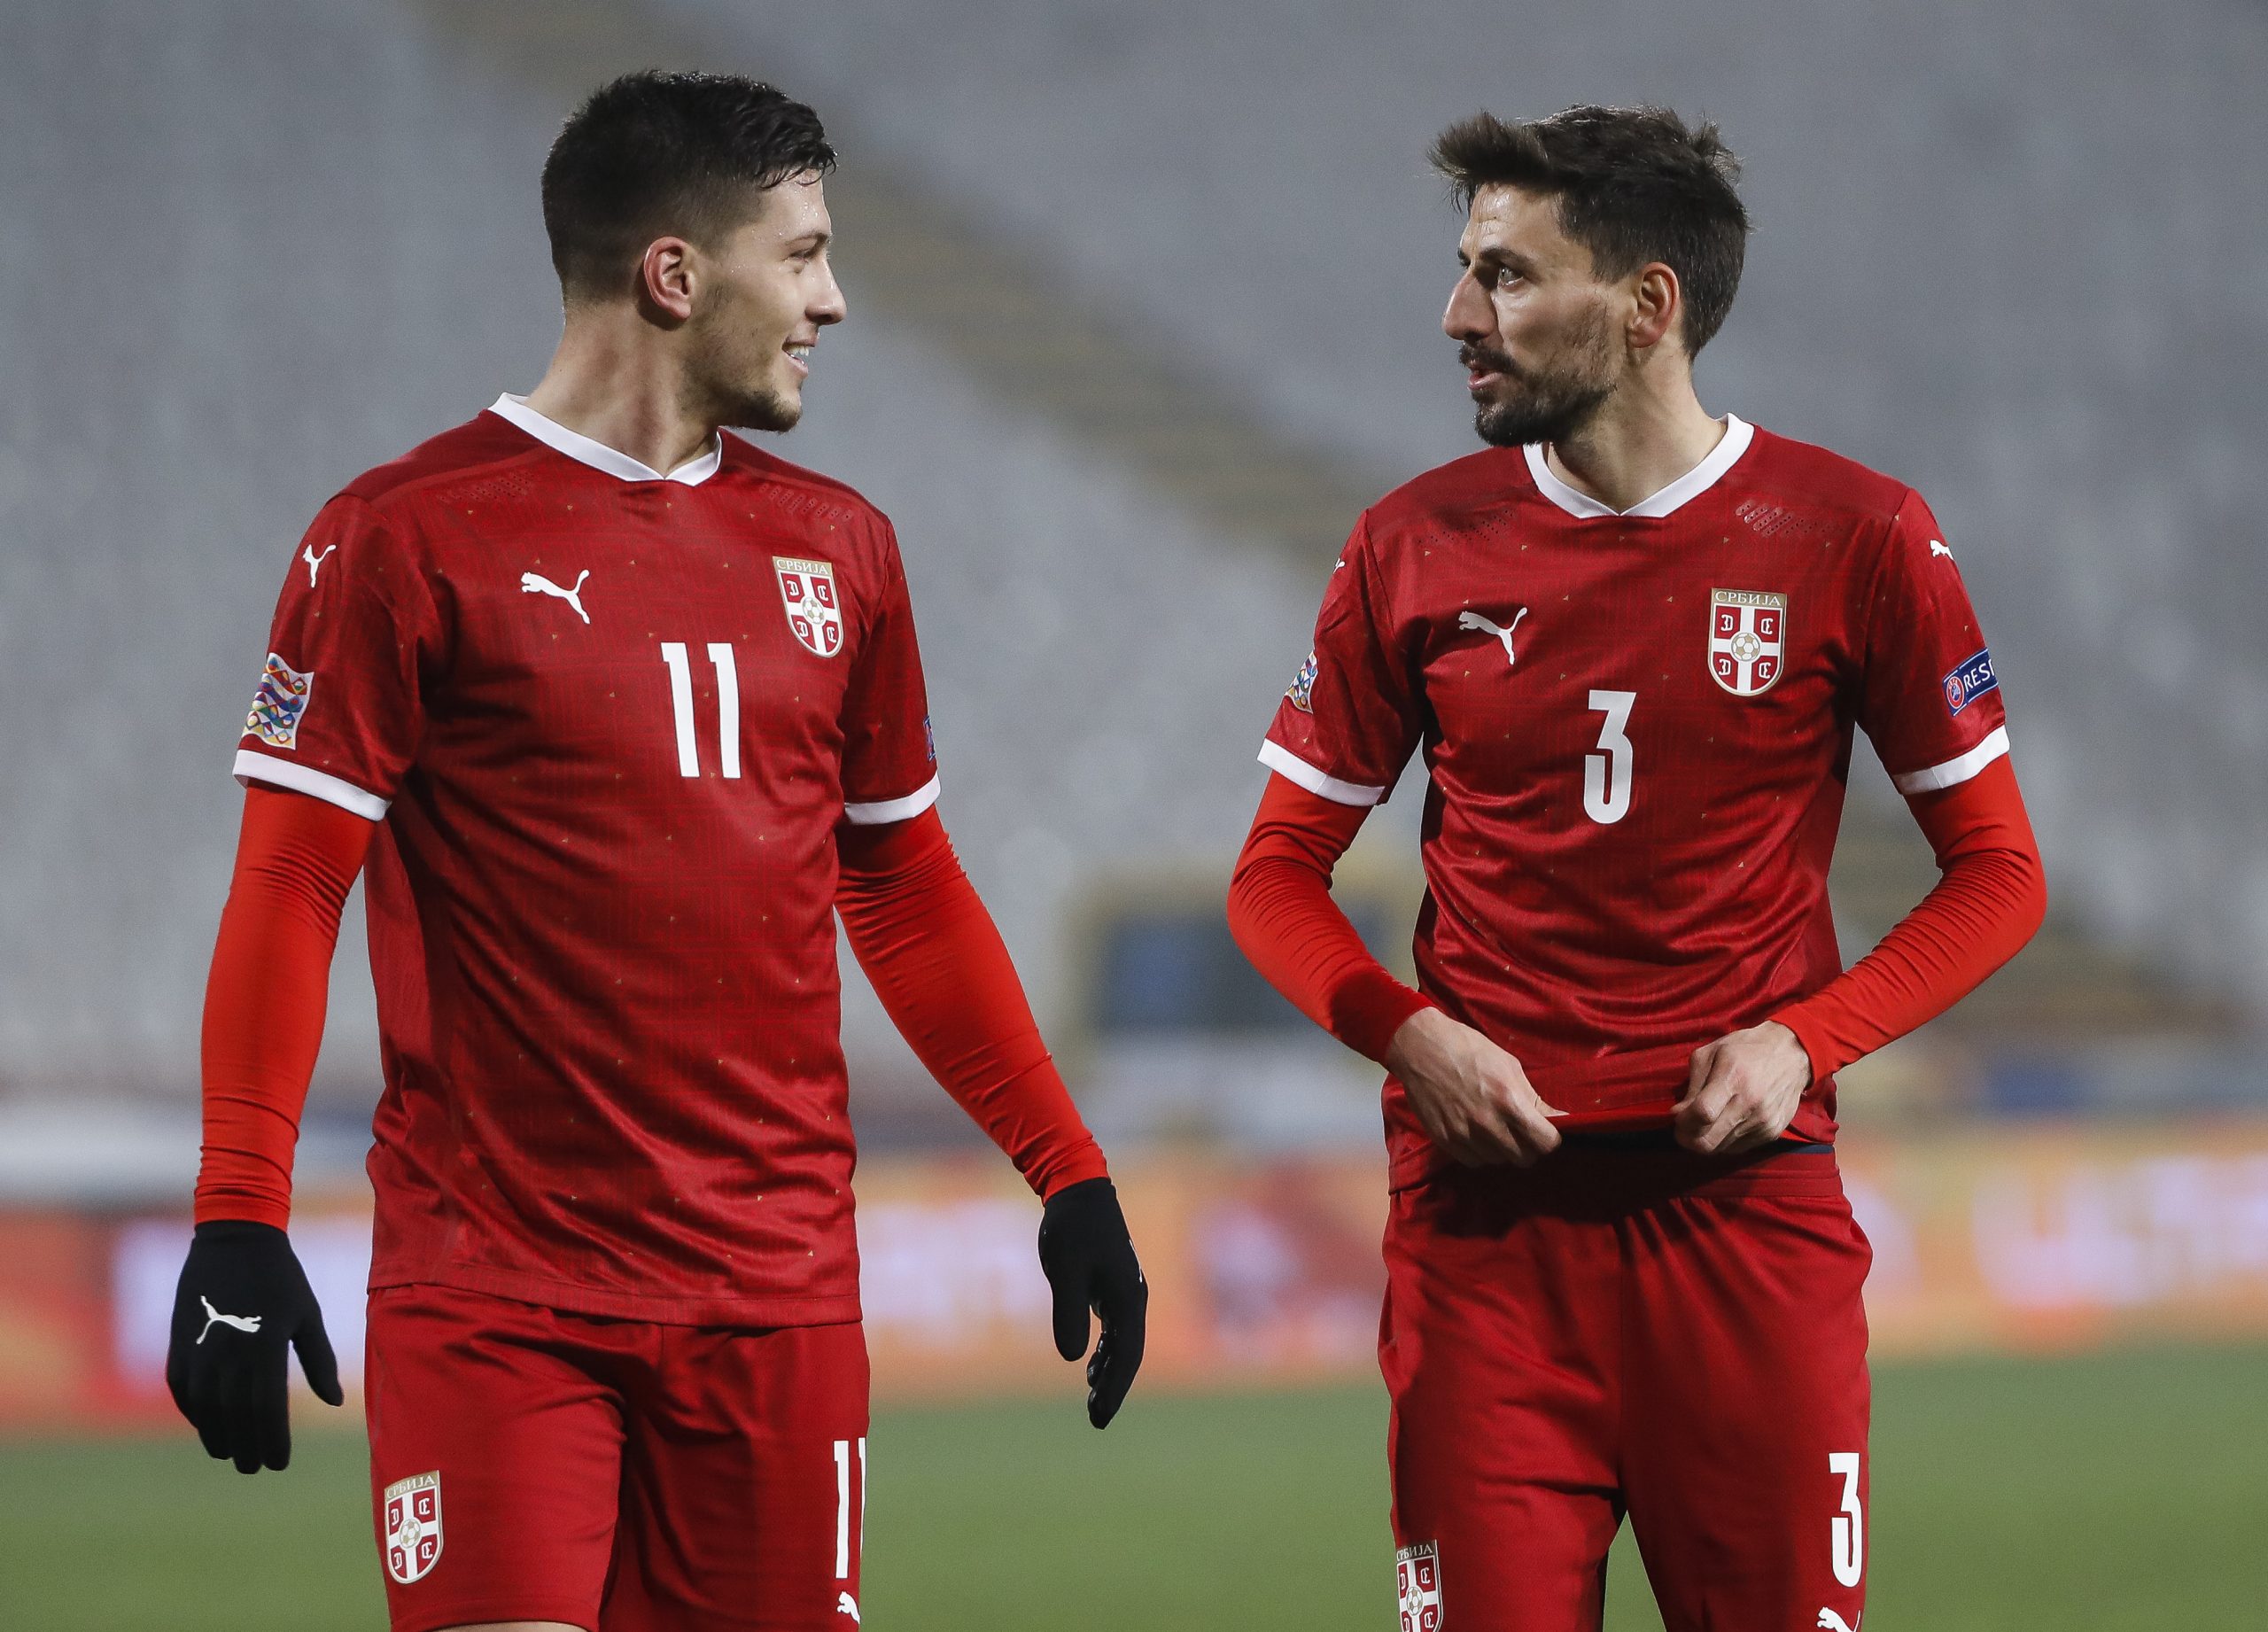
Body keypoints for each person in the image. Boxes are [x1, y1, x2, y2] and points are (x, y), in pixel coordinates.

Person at [166, 70, 1145, 1632]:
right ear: (675, 276)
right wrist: (238, 1208)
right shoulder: (403, 536)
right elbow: (291, 881)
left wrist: (1066, 1167)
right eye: (803, 255)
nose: (834, 300)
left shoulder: (843, 547)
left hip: (777, 1300)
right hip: (498, 1292)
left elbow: (900, 887)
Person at [1226, 105, 2045, 1632]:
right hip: (1485, 1242)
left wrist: (1805, 1040)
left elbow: (1999, 871)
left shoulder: (1856, 535)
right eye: (1468, 269)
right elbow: (1274, 871)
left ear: (1646, 305)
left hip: (1744, 1228)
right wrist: (1408, 1033)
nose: (1458, 313)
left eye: (1507, 275)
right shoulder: (1411, 544)